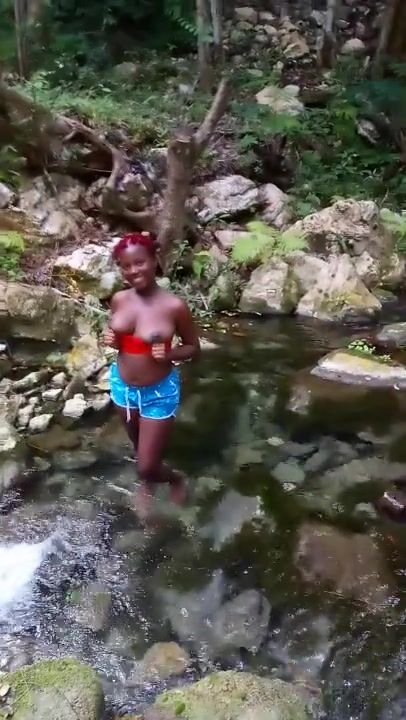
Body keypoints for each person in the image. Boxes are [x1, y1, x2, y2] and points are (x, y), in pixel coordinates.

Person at [103, 231, 200, 514]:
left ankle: (174, 479)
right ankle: (147, 481)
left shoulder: (174, 306)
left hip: (158, 391)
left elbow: (193, 348)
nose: (133, 271)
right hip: (122, 387)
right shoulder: (119, 299)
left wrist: (169, 354)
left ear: (154, 260)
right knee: (139, 448)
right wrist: (113, 341)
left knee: (146, 464)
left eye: (139, 262)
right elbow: (123, 340)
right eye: (126, 266)